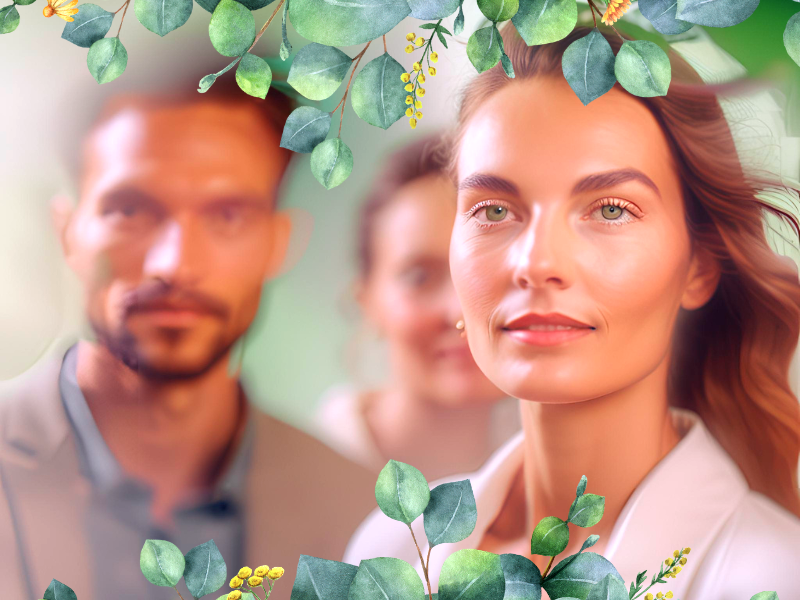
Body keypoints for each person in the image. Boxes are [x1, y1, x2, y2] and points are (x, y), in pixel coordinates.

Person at [344, 25, 800, 598]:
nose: (535, 262)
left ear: (699, 265)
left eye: (610, 210)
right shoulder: (390, 552)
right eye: (492, 209)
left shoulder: (775, 576)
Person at [0, 76, 376, 600]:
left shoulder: (369, 521)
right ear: (68, 233)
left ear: (278, 243)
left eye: (227, 215)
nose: (174, 264)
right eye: (129, 210)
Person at [313, 136, 518, 481]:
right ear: (367, 302)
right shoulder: (306, 473)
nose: (458, 313)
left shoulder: (561, 474)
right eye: (420, 277)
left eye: (485, 269)